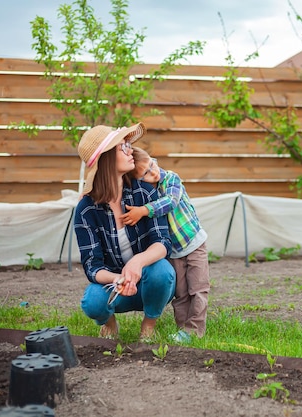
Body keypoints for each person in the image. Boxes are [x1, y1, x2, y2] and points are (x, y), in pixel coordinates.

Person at [73, 123, 176, 341]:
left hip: (149, 283)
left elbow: (162, 242)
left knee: (162, 272)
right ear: (107, 158)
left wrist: (137, 262)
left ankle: (149, 326)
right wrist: (119, 278)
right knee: (92, 302)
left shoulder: (145, 192)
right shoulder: (86, 210)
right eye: (123, 147)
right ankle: (109, 323)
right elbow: (92, 266)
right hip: (117, 287)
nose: (130, 150)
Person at [120, 146, 209, 342]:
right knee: (182, 293)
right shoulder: (146, 193)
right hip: (175, 251)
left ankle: (195, 330)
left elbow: (171, 201)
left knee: (198, 289)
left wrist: (143, 210)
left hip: (194, 243)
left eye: (152, 164)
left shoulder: (171, 178)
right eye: (146, 173)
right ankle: (183, 330)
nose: (154, 171)